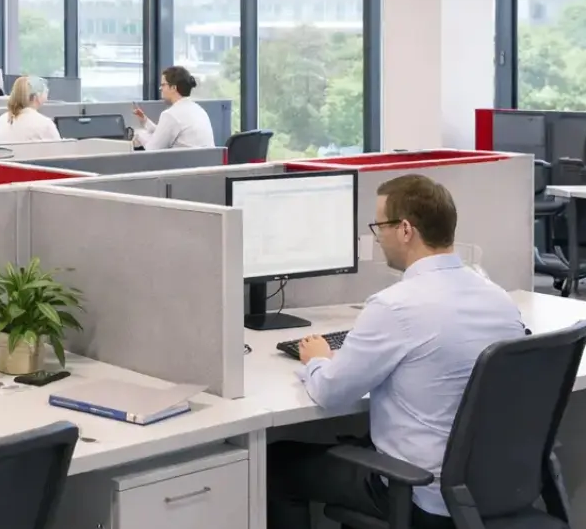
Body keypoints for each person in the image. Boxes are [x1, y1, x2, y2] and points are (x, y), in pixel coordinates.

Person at [267, 174, 525, 529]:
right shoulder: (499, 299)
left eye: (380, 226)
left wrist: (317, 360)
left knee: (276, 464)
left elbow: (330, 393)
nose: (377, 237)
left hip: (420, 493)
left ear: (405, 230)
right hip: (491, 489)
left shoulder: (395, 306)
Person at [132, 65, 215, 150]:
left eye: (163, 85)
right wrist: (145, 121)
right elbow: (164, 134)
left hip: (184, 159)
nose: (160, 88)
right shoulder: (199, 110)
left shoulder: (170, 115)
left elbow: (152, 148)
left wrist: (139, 134)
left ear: (173, 88)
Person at [0, 75, 60, 143]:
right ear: (37, 96)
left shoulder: (2, 120)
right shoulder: (45, 124)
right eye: (45, 91)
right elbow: (59, 148)